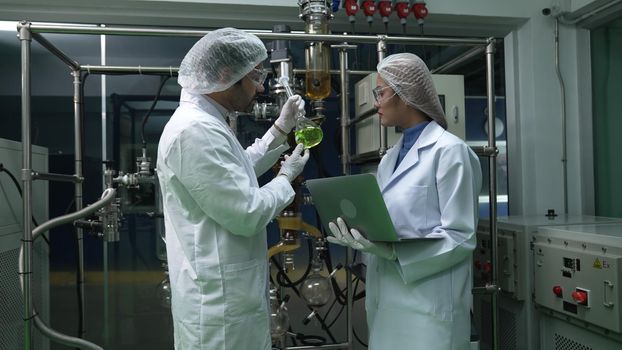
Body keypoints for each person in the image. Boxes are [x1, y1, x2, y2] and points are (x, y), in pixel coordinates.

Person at [157, 28, 310, 350]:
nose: (262, 86)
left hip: (226, 294)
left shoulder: (206, 122)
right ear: (227, 74)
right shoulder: (194, 130)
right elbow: (247, 213)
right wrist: (286, 179)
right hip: (217, 307)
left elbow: (234, 171)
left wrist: (280, 130)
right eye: (255, 76)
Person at [327, 53, 482, 349]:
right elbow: (389, 223)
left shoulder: (450, 153)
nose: (376, 103)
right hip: (387, 306)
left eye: (380, 92)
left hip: (428, 312)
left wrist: (394, 252)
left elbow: (461, 237)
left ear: (407, 96)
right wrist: (362, 234)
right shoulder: (390, 159)